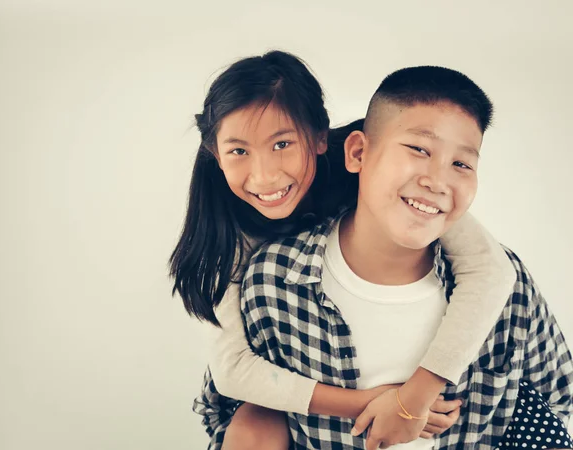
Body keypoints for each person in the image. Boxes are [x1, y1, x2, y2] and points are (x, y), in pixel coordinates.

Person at [197, 65, 573, 449]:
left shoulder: (410, 189)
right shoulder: (246, 259)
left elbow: (492, 271)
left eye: (282, 144)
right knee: (252, 424)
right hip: (297, 396)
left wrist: (414, 398)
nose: (266, 176)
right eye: (239, 150)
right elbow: (231, 374)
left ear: (322, 140)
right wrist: (374, 405)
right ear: (216, 153)